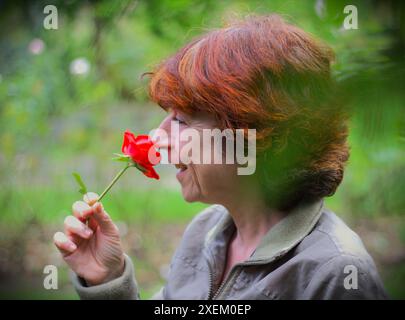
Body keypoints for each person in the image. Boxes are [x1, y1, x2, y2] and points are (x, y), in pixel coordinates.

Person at [53, 15, 388, 299]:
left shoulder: (335, 273)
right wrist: (108, 279)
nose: (158, 136)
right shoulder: (206, 232)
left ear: (253, 136)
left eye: (181, 120)